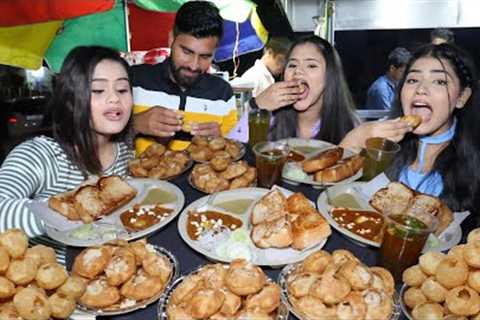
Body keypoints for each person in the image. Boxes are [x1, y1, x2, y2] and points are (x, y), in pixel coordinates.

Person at [0, 46, 134, 237]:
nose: (115, 98)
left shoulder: (127, 153)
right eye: (98, 90)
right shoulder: (40, 154)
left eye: (122, 89)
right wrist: (67, 210)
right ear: (71, 99)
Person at [131, 1, 237, 152]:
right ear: (171, 39)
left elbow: (235, 154)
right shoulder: (135, 80)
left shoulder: (222, 93)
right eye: (187, 52)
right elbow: (94, 138)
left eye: (205, 56)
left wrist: (221, 142)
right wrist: (135, 124)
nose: (194, 66)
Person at [230, 35, 359, 145]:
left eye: (311, 65)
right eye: (292, 65)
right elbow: (229, 154)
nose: (298, 71)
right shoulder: (270, 121)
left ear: (330, 75)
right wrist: (256, 105)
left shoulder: (350, 127)